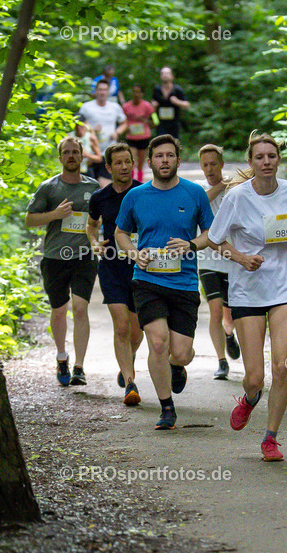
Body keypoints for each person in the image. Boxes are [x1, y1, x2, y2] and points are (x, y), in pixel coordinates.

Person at [207, 133, 287, 462]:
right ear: (251, 162)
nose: (266, 162)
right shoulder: (236, 197)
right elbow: (216, 241)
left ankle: (271, 438)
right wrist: (239, 257)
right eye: (260, 157)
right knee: (255, 378)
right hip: (247, 287)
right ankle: (249, 400)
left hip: (283, 286)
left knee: (281, 366)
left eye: (272, 156)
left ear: (279, 160)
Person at [113, 135, 214, 429]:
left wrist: (191, 245)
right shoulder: (135, 196)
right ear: (150, 162)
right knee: (157, 342)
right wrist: (134, 253)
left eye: (170, 156)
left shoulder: (195, 194)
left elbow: (210, 234)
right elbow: (121, 233)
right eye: (159, 156)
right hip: (147, 281)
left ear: (178, 161)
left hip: (183, 283)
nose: (165, 161)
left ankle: (175, 364)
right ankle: (166, 407)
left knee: (180, 352)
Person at [25, 137, 101, 387]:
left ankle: (79, 367)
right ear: (60, 158)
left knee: (80, 308)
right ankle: (61, 357)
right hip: (54, 257)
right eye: (66, 152)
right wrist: (55, 215)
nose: (71, 156)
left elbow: (100, 218)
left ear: (82, 156)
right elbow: (30, 219)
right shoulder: (49, 187)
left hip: (84, 256)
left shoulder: (93, 186)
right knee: (59, 311)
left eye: (75, 152)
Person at [87, 143, 144, 406]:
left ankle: (126, 361)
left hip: (140, 266)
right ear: (108, 167)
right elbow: (92, 225)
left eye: (127, 161)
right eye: (118, 163)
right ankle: (130, 383)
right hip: (110, 264)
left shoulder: (144, 193)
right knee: (121, 325)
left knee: (137, 330)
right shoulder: (99, 197)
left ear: (133, 163)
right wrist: (94, 242)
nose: (124, 167)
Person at [196, 144, 240, 380]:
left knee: (229, 313)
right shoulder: (199, 190)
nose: (210, 168)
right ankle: (221, 361)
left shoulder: (236, 189)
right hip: (208, 259)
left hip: (232, 258)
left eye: (214, 163)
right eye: (205, 165)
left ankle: (229, 334)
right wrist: (223, 184)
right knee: (215, 309)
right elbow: (203, 200)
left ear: (222, 164)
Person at [79, 80, 128, 187]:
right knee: (89, 187)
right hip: (90, 153)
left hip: (109, 152)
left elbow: (124, 123)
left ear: (108, 92)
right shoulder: (86, 107)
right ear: (96, 91)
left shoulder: (115, 107)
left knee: (105, 186)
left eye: (105, 90)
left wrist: (117, 132)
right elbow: (79, 125)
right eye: (100, 89)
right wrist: (91, 130)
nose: (102, 92)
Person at [122, 85, 155, 183]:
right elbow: (122, 121)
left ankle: (139, 181)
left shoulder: (147, 106)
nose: (136, 94)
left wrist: (146, 121)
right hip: (131, 137)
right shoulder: (126, 106)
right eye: (134, 92)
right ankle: (131, 181)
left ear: (142, 94)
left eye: (138, 92)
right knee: (132, 160)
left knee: (140, 163)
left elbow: (155, 121)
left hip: (144, 137)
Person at [152, 66, 190, 140]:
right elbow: (152, 110)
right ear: (160, 76)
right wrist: (155, 122)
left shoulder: (177, 89)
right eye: (162, 73)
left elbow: (187, 105)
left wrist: (177, 102)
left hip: (174, 124)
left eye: (167, 73)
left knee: (174, 144)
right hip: (161, 124)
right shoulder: (157, 89)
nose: (165, 75)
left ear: (172, 76)